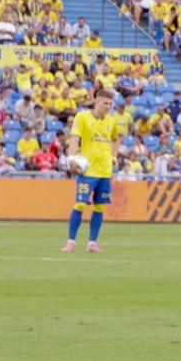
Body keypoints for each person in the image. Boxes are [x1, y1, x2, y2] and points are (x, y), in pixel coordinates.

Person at [63, 89, 120, 254]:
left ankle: (92, 243)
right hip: (87, 171)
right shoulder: (82, 117)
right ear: (96, 101)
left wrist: (114, 157)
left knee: (100, 207)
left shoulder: (111, 121)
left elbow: (116, 139)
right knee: (80, 204)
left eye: (110, 104)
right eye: (105, 103)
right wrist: (71, 159)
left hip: (105, 171)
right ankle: (71, 242)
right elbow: (75, 139)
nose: (107, 107)